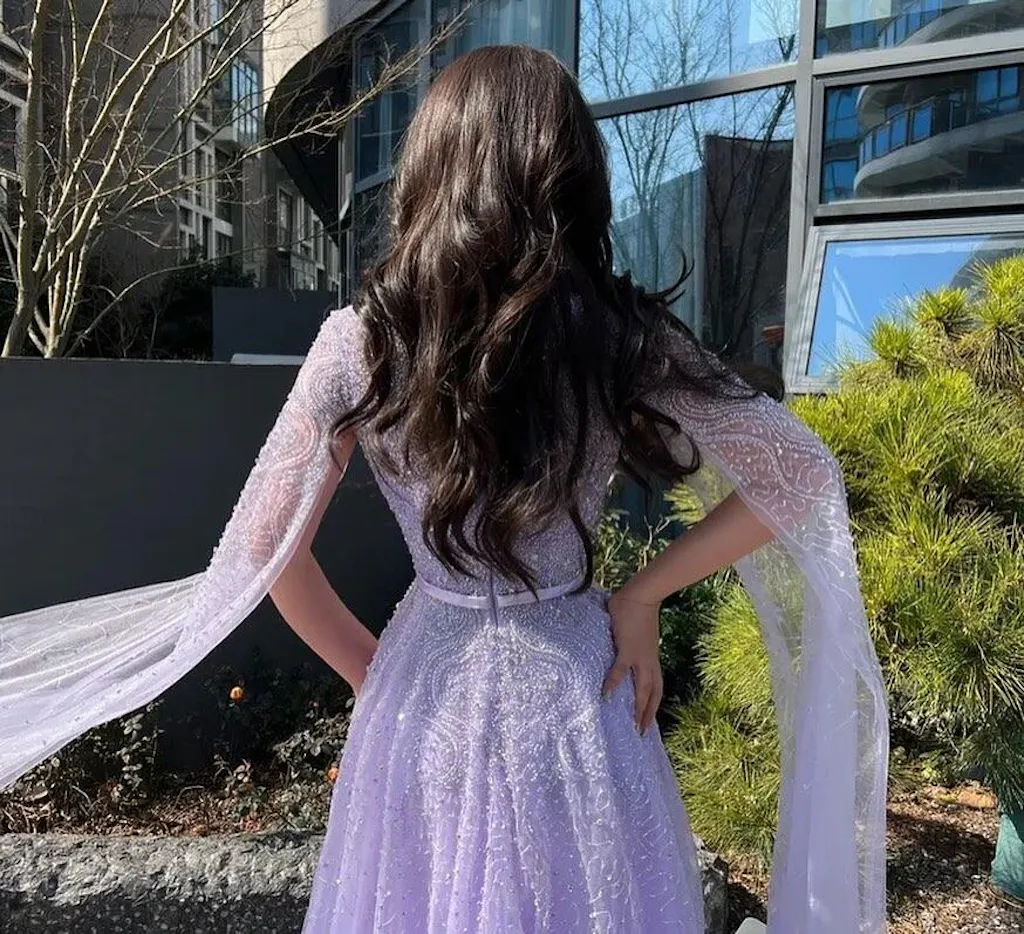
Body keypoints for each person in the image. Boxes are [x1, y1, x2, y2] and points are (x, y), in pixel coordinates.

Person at [0, 45, 888, 933]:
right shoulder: (620, 335)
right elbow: (802, 472)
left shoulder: (361, 343)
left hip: (424, 694)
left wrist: (372, 675)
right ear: (573, 177)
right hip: (578, 696)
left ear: (427, 171)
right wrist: (643, 594)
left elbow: (267, 552)